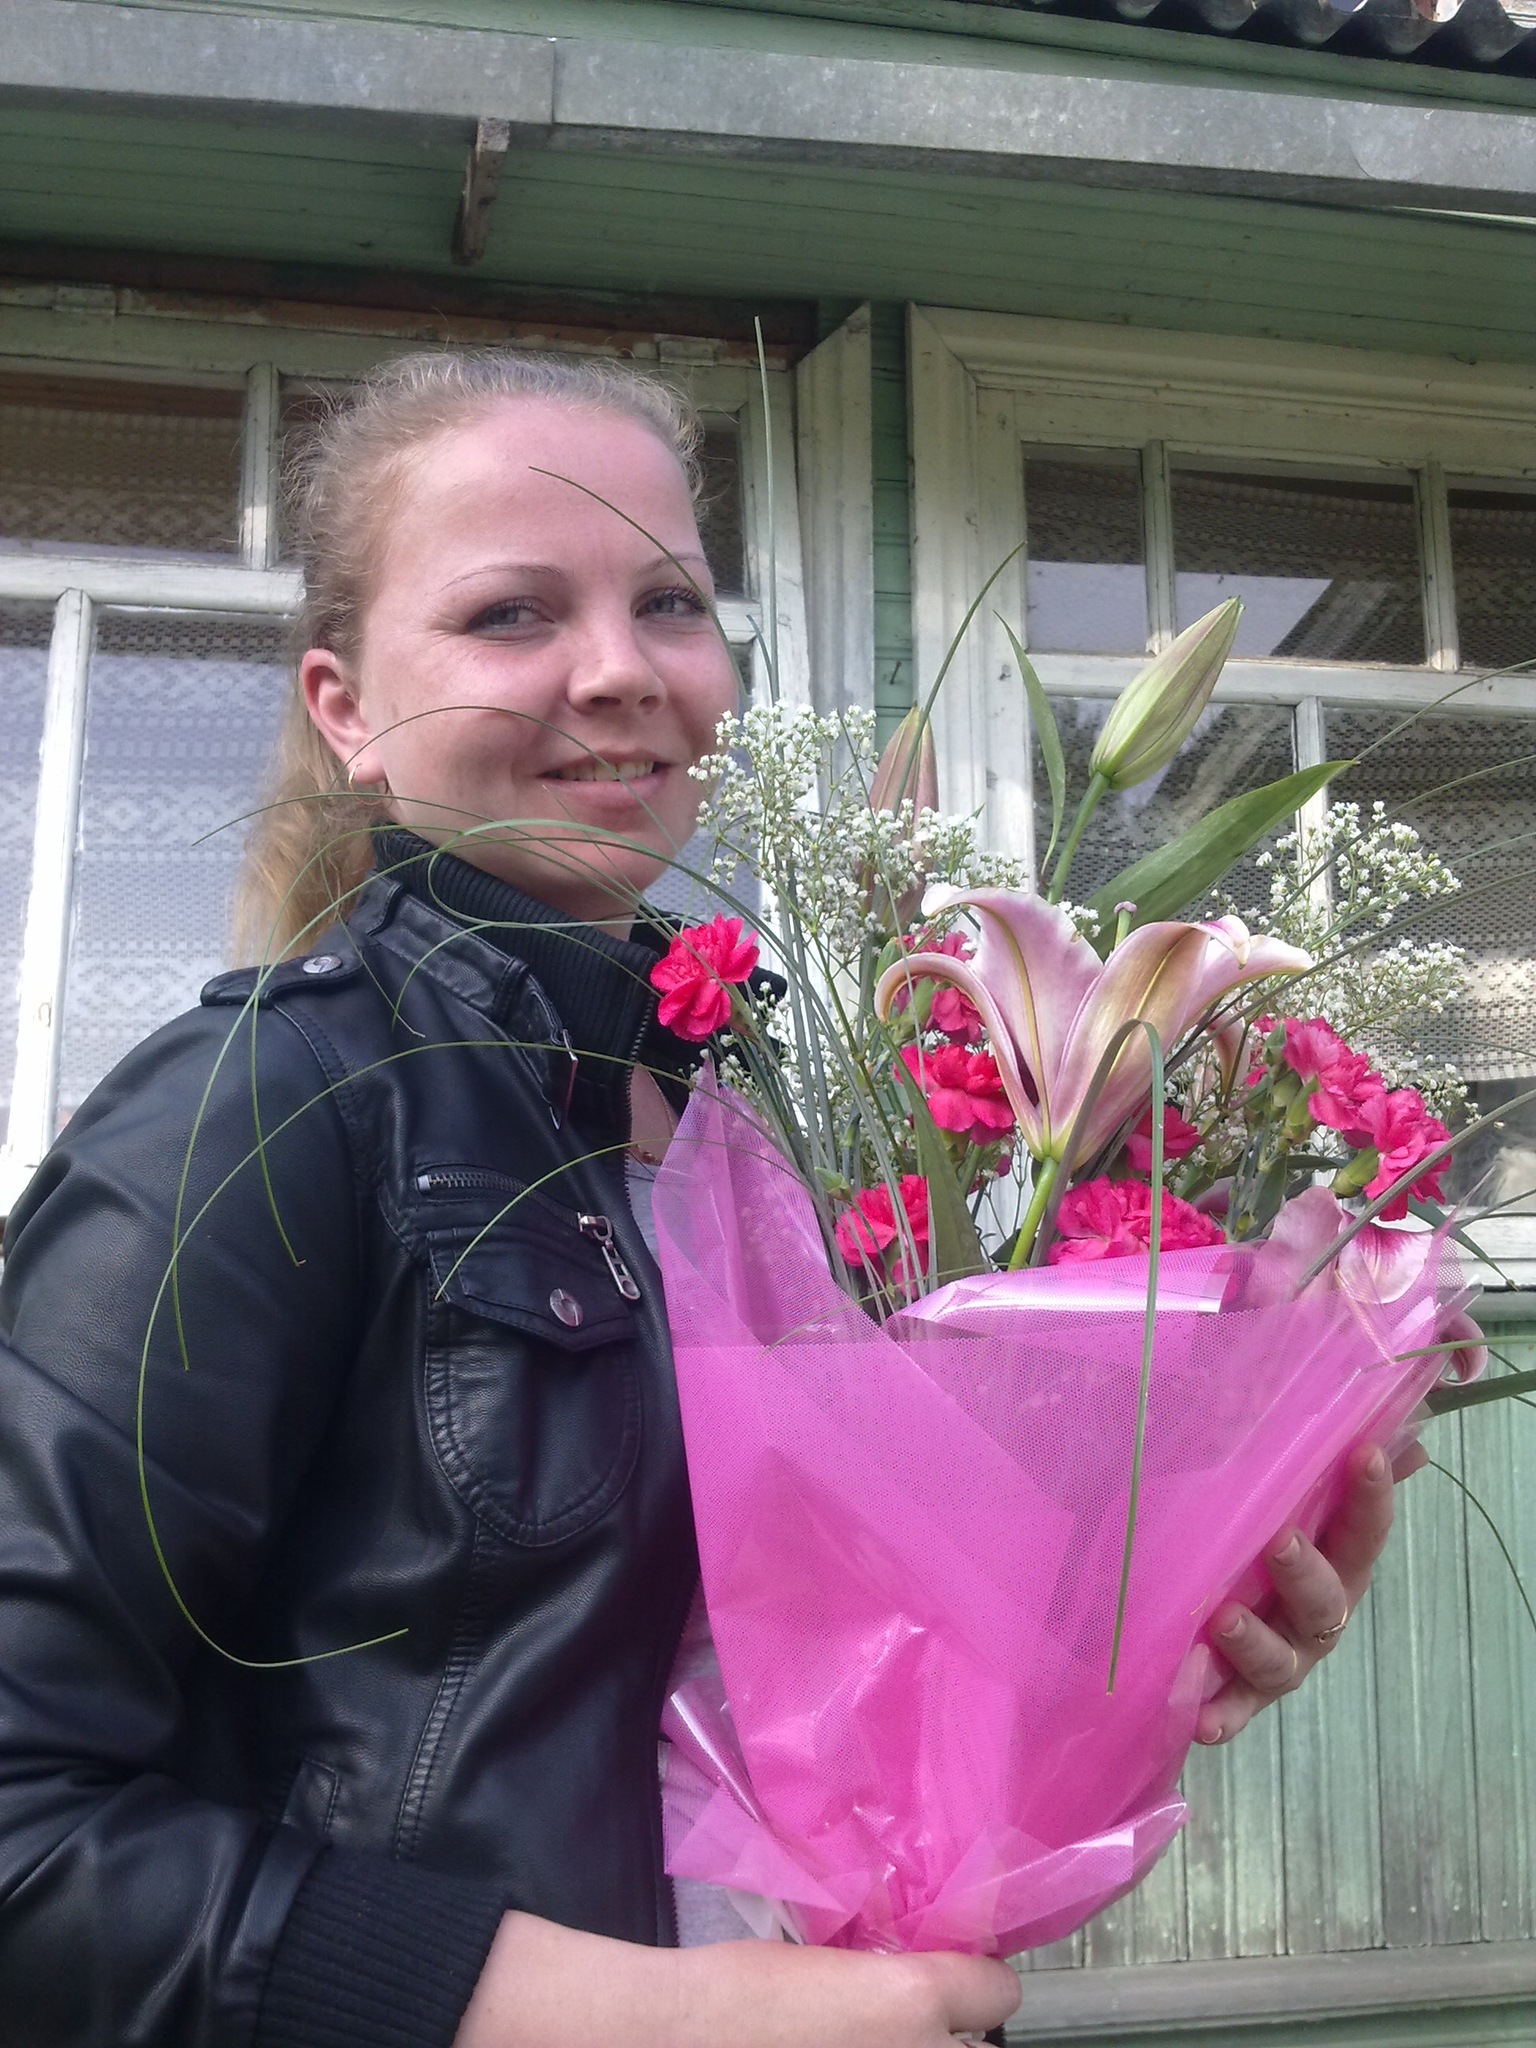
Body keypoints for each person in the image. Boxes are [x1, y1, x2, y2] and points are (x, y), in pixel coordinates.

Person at [0, 352, 1411, 2048]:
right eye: (512, 613)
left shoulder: (771, 1129)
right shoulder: (256, 1117)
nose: (621, 670)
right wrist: (658, 2018)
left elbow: (802, 1656)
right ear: (345, 707)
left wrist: (1159, 1616)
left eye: (668, 601)